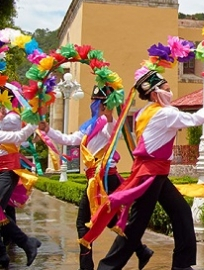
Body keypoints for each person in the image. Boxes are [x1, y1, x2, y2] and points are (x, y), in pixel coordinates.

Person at [81, 70, 204, 270]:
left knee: (181, 211)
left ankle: (182, 265)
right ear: (156, 94)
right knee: (135, 226)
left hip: (156, 172)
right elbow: (196, 119)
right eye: (166, 89)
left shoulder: (146, 112)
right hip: (151, 174)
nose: (170, 92)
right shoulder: (165, 113)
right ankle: (107, 267)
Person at [44, 85, 154, 270]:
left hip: (103, 180)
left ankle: (87, 267)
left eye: (97, 101)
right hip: (96, 180)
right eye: (94, 101)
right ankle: (141, 250)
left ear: (103, 104)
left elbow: (111, 129)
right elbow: (69, 139)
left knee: (83, 224)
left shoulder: (107, 124)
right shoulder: (91, 125)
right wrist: (47, 130)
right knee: (112, 221)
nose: (94, 104)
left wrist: (109, 113)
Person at [0, 85, 43, 269]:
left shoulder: (11, 118)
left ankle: (24, 243)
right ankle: (5, 254)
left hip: (8, 171)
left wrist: (35, 122)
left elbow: (18, 137)